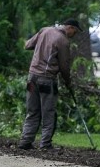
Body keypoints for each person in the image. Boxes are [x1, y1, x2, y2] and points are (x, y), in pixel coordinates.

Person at [19, 18, 81, 150]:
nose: (73, 35)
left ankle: (25, 141)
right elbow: (64, 66)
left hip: (31, 78)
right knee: (48, 112)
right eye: (74, 32)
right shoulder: (63, 41)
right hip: (46, 79)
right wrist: (68, 82)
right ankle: (45, 144)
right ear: (69, 27)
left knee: (32, 111)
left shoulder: (44, 30)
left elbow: (27, 45)